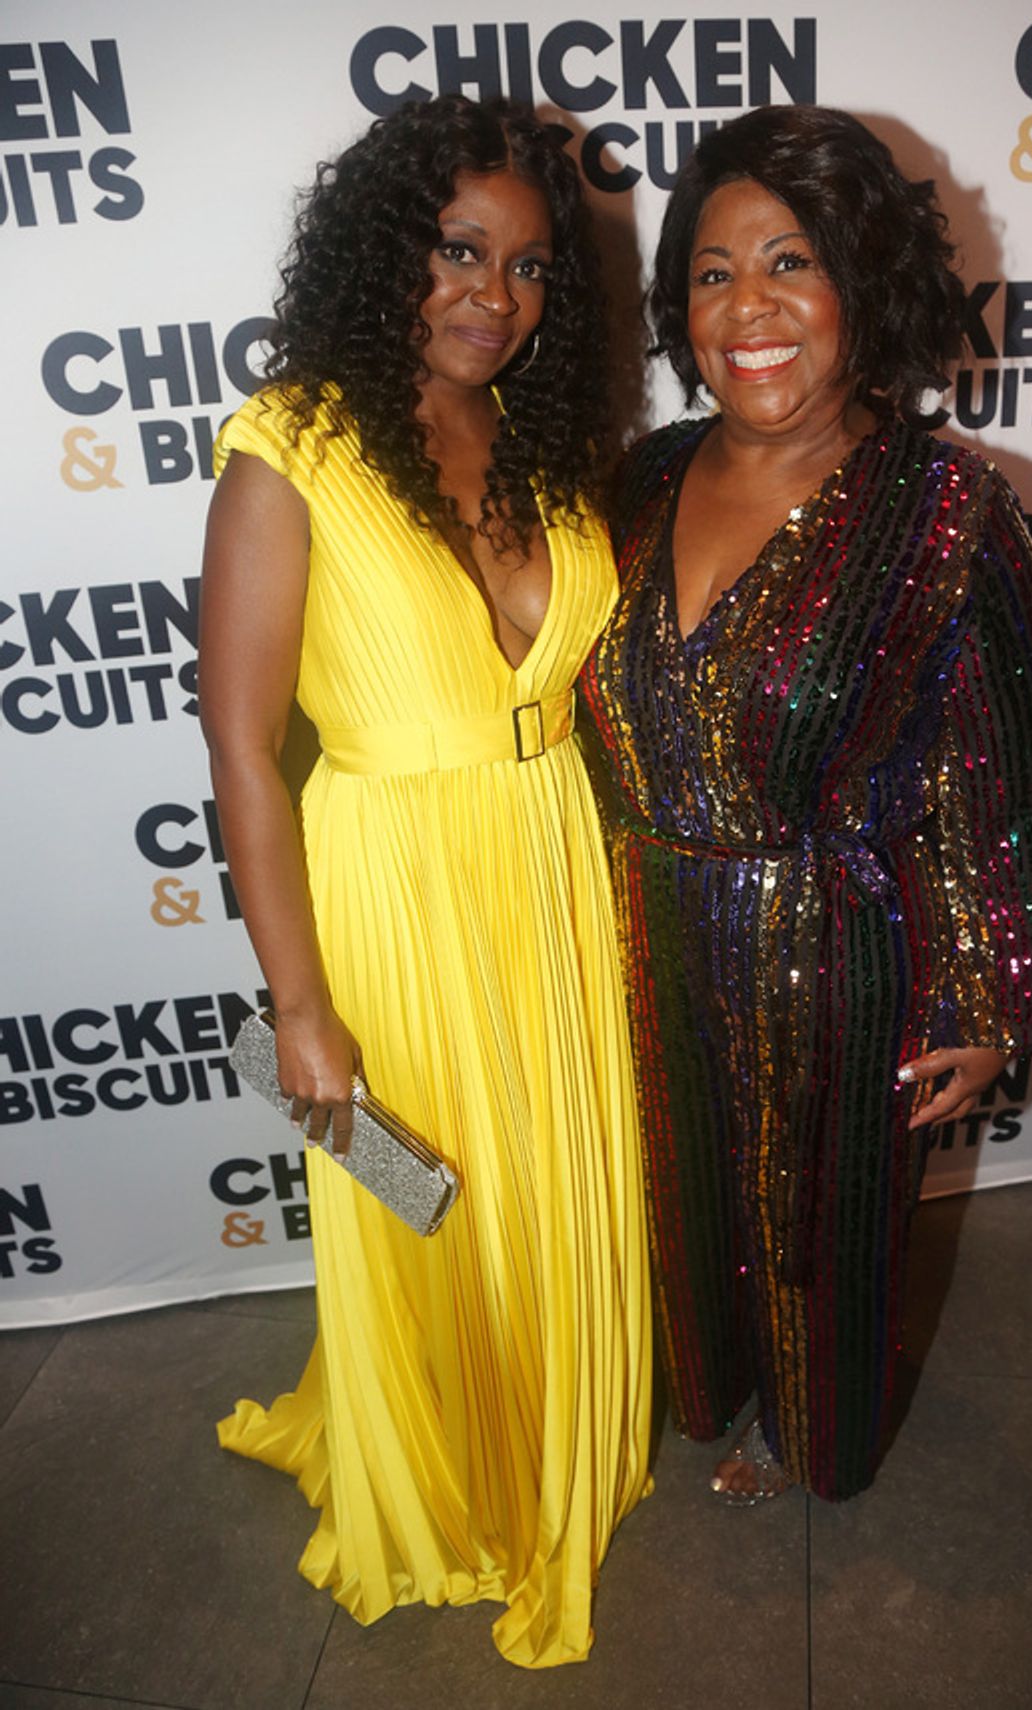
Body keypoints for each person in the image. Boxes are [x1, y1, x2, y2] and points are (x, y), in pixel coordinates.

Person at [577, 105, 1032, 1505]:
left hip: (840, 956)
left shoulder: (947, 511)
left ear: (862, 283)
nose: (749, 307)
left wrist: (988, 1001)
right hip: (650, 936)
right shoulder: (635, 482)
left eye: (791, 261)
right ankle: (713, 1393)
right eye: (712, 269)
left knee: (826, 1230)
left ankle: (821, 1439)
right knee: (687, 1207)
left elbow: (1006, 778)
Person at [198, 94, 651, 1668]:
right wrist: (299, 1010)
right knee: (427, 1204)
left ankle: (556, 1433)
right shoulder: (292, 446)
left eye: (530, 270)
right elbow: (248, 749)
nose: (493, 295)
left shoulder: (543, 440)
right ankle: (446, 1479)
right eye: (461, 250)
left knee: (550, 1192)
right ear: (392, 247)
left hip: (553, 874)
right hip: (390, 886)